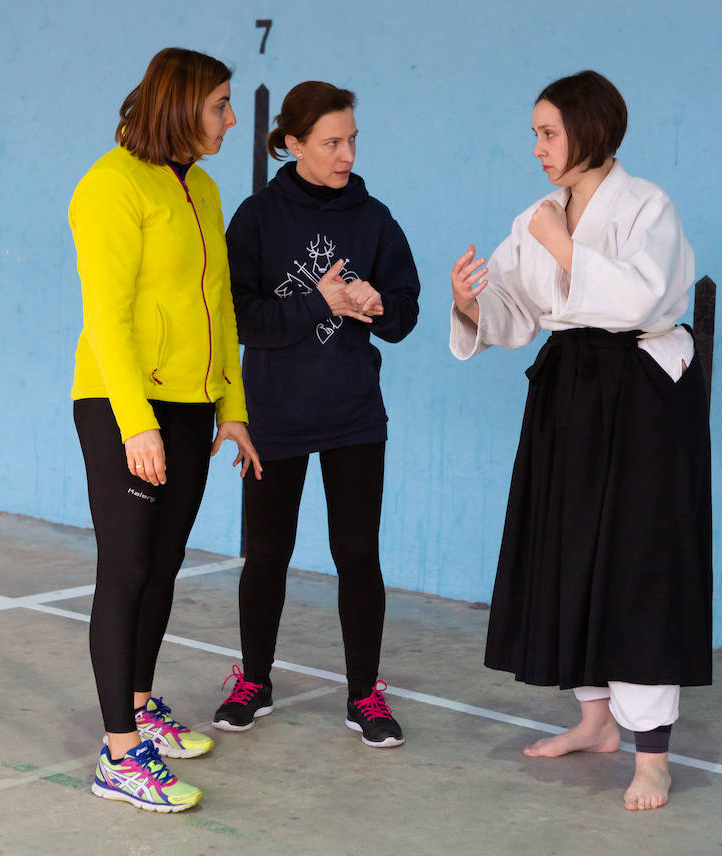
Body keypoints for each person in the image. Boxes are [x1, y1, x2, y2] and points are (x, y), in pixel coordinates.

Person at [449, 70, 711, 810]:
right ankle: (596, 721)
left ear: (589, 130)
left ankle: (652, 754)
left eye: (548, 133)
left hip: (643, 394)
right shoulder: (539, 215)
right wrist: (470, 301)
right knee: (570, 551)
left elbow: (643, 299)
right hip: (571, 391)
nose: (537, 148)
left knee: (637, 561)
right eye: (535, 134)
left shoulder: (647, 206)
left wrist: (565, 248)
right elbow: (515, 311)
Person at [69, 47, 261, 812]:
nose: (231, 119)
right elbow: (107, 317)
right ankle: (119, 756)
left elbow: (221, 307)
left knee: (163, 563)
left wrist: (232, 406)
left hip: (190, 405)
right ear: (181, 106)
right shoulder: (110, 185)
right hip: (123, 404)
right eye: (220, 104)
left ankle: (140, 705)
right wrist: (134, 423)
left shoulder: (202, 188)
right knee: (125, 569)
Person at [212, 81, 420, 749]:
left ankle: (364, 694)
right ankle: (254, 680)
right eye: (332, 142)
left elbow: (406, 311)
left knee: (357, 553)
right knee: (267, 553)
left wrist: (378, 308)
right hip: (272, 416)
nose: (346, 154)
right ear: (294, 143)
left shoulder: (374, 218)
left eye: (352, 140)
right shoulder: (256, 218)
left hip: (354, 415)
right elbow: (241, 319)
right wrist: (320, 304)